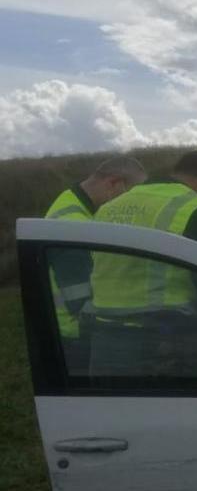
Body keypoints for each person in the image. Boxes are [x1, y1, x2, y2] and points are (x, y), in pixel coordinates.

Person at [88, 151, 197, 386]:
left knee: (110, 418)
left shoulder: (108, 208)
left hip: (103, 343)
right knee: (168, 420)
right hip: (160, 348)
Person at [44, 157, 148, 368]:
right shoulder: (73, 226)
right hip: (75, 336)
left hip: (71, 331)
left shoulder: (72, 203)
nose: (130, 203)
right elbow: (81, 299)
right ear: (113, 183)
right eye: (130, 194)